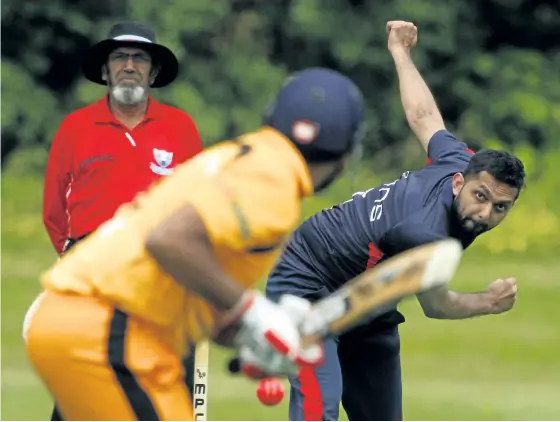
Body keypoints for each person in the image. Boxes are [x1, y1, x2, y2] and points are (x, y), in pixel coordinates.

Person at [23, 67, 373, 421]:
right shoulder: (275, 179)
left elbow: (198, 291)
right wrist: (255, 311)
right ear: (345, 153)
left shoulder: (245, 158)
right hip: (108, 330)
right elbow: (169, 240)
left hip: (94, 324)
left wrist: (254, 336)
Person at [264, 21, 525, 421]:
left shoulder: (460, 161)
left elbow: (423, 116)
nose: (485, 214)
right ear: (459, 184)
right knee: (321, 407)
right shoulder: (426, 233)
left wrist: (401, 53)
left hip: (369, 300)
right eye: (480, 198)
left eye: (500, 209)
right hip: (308, 279)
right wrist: (488, 302)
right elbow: (438, 305)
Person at [41, 22, 203, 420]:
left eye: (139, 58)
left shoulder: (180, 128)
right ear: (104, 71)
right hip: (93, 273)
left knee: (163, 386)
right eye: (119, 57)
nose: (129, 65)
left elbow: (200, 203)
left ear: (153, 72)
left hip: (162, 270)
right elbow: (53, 210)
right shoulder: (75, 128)